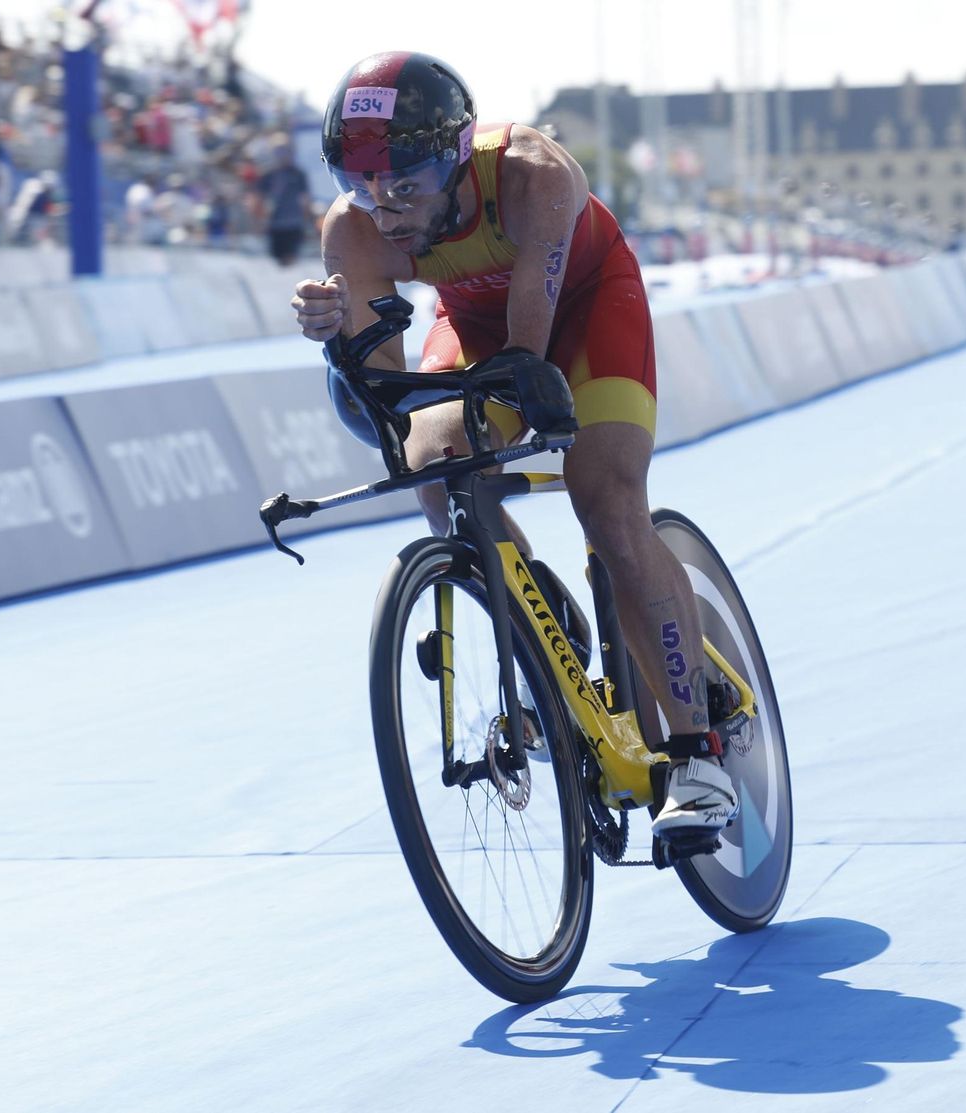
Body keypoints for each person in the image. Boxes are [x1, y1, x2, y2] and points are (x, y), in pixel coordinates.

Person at [292, 51, 737, 843]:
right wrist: (341, 345)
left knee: (604, 501)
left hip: (588, 308)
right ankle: (540, 622)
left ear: (457, 160)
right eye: (360, 186)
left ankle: (697, 750)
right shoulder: (353, 233)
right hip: (480, 327)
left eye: (403, 186)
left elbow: (530, 355)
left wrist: (520, 410)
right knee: (432, 464)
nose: (383, 209)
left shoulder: (533, 176)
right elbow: (385, 408)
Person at [256, 135, 313, 266]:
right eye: (279, 151)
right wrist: (260, 221)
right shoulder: (267, 174)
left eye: (286, 151)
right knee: (276, 260)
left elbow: (305, 200)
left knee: (293, 260)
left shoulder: (298, 174)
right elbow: (259, 199)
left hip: (294, 224)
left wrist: (307, 221)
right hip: (275, 224)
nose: (283, 155)